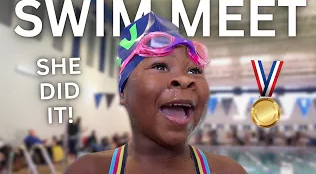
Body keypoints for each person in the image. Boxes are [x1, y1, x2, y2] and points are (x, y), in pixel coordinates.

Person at [66, 12, 247, 174]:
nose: (185, 79)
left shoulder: (228, 171)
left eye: (194, 71)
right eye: (160, 66)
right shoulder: (89, 170)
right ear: (123, 92)